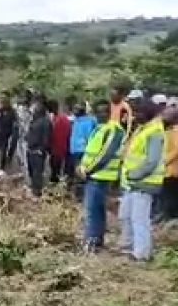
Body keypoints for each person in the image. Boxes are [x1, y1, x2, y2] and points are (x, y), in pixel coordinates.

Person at [118, 101, 165, 262]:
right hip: (131, 182)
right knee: (126, 215)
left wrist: (135, 174)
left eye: (139, 112)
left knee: (140, 219)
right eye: (135, 112)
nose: (135, 116)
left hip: (144, 182)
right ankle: (128, 246)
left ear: (149, 113)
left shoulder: (155, 132)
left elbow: (151, 161)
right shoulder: (142, 128)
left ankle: (141, 253)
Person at [78, 101, 125, 253]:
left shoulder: (113, 130)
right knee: (97, 210)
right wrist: (81, 166)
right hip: (94, 175)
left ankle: (91, 242)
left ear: (110, 113)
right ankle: (96, 241)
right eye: (97, 112)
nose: (100, 115)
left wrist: (88, 170)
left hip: (100, 176)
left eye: (104, 112)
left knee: (92, 211)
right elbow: (90, 151)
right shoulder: (99, 128)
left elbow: (105, 154)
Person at [24, 100, 54, 198]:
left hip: (38, 151)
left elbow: (47, 138)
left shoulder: (45, 121)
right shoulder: (34, 120)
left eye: (37, 108)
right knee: (31, 171)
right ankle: (33, 189)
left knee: (37, 173)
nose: (34, 109)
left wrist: (42, 150)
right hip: (30, 149)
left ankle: (37, 193)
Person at [68, 102, 97, 198]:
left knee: (82, 173)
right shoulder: (76, 120)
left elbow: (90, 136)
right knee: (77, 173)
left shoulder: (89, 121)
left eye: (76, 109)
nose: (74, 112)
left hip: (83, 150)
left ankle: (82, 195)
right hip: (75, 150)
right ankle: (79, 194)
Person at [49, 101, 72, 184]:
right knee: (57, 169)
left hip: (57, 148)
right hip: (62, 148)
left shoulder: (58, 119)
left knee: (55, 170)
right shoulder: (63, 119)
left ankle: (55, 184)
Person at [0, 101, 17, 176]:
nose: (2, 105)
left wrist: (10, 134)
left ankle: (2, 168)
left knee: (3, 152)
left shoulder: (11, 113)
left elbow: (14, 124)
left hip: (5, 135)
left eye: (3, 104)